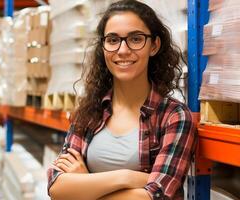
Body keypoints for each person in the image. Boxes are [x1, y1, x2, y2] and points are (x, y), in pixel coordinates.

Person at [47, 0, 197, 200]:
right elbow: (56, 186)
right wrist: (125, 177)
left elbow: (156, 196)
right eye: (113, 40)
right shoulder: (90, 112)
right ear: (103, 47)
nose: (123, 50)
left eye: (135, 39)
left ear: (154, 45)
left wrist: (85, 184)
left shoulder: (173, 116)